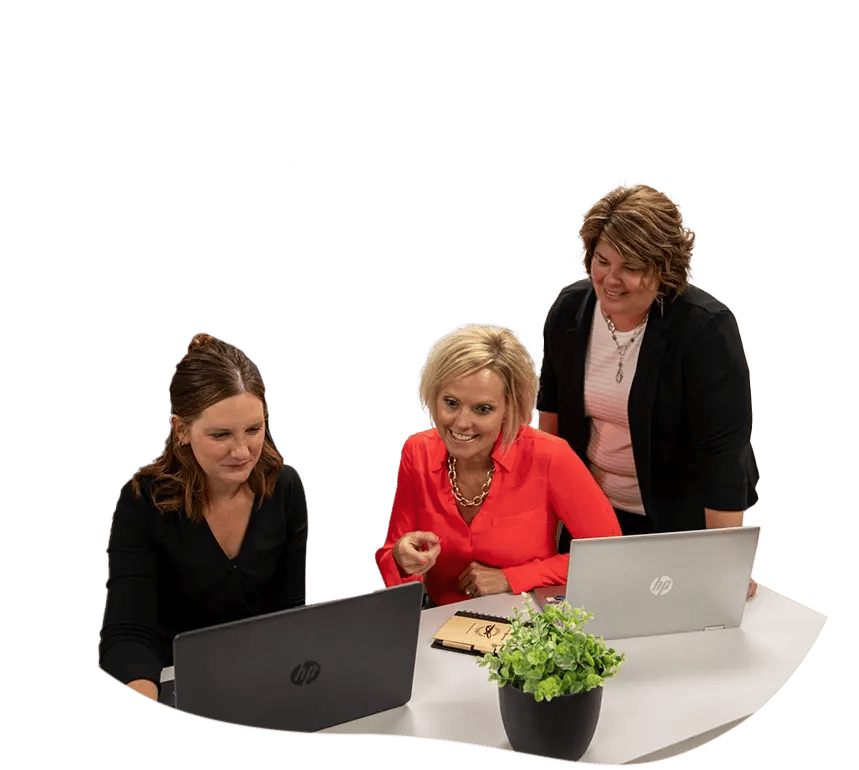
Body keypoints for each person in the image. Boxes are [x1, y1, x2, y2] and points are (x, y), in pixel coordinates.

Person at [538, 181, 759, 586]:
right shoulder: (569, 311)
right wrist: (543, 534)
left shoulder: (706, 329)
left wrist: (726, 565)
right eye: (602, 260)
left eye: (632, 267)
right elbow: (549, 429)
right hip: (591, 518)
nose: (611, 279)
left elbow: (723, 458)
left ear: (665, 268)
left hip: (677, 522)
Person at [98, 333, 309, 702]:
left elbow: (287, 615)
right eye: (220, 435)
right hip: (172, 683)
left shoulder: (285, 487)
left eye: (254, 430)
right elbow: (128, 636)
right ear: (181, 430)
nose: (242, 452)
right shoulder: (143, 499)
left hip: (260, 682)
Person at [374, 323, 621, 606]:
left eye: (482, 409)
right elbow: (393, 556)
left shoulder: (551, 456)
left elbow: (609, 554)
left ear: (509, 409)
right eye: (451, 403)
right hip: (438, 622)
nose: (461, 423)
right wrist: (402, 560)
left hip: (528, 622)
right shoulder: (416, 451)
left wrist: (512, 577)